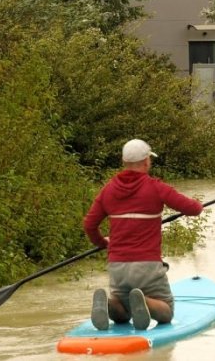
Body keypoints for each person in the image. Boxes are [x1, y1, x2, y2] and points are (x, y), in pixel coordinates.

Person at [83, 139, 203, 330]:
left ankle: (109, 303)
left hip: (117, 266)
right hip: (147, 265)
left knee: (123, 313)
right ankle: (145, 302)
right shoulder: (156, 187)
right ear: (146, 161)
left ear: (124, 162)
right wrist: (198, 204)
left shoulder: (108, 190)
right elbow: (193, 209)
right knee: (166, 313)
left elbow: (89, 224)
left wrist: (102, 242)